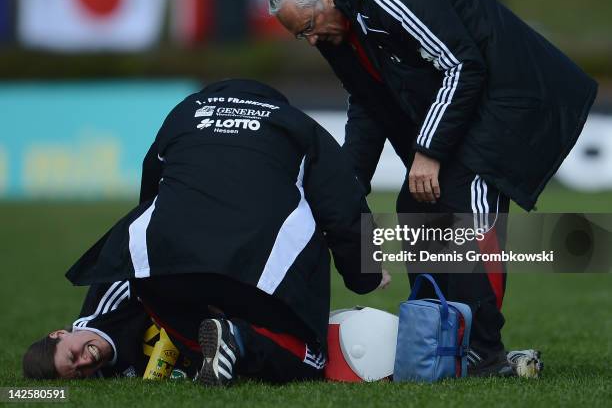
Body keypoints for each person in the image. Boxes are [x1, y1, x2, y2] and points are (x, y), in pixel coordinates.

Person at [269, 0, 597, 376]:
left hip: (510, 92)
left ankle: (483, 350)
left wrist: (429, 151)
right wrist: (343, 193)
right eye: (298, 36)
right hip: (466, 100)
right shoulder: (335, 25)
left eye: (306, 27)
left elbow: (462, 64)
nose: (309, 41)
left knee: (465, 206)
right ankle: (435, 338)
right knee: (415, 205)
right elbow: (368, 102)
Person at [23, 79, 387, 384]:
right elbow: (343, 201)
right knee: (311, 361)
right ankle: (235, 341)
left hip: (172, 264)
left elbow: (152, 193)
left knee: (155, 280)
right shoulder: (295, 122)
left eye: (73, 358)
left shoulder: (182, 115)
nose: (85, 362)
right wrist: (366, 274)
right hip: (259, 269)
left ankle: (219, 345)